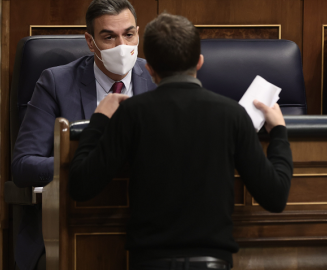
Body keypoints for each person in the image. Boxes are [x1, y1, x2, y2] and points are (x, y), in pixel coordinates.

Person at [68, 13, 293, 269]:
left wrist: (99, 120)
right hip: (212, 260)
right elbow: (275, 197)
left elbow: (81, 185)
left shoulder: (132, 113)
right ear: (199, 62)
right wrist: (279, 132)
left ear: (149, 68)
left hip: (149, 261)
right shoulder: (232, 115)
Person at [11, 1, 156, 269]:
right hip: (71, 224)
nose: (122, 46)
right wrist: (95, 165)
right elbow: (23, 165)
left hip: (147, 224)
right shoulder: (56, 82)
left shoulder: (157, 78)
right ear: (90, 42)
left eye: (129, 34)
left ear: (138, 33)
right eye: (109, 36)